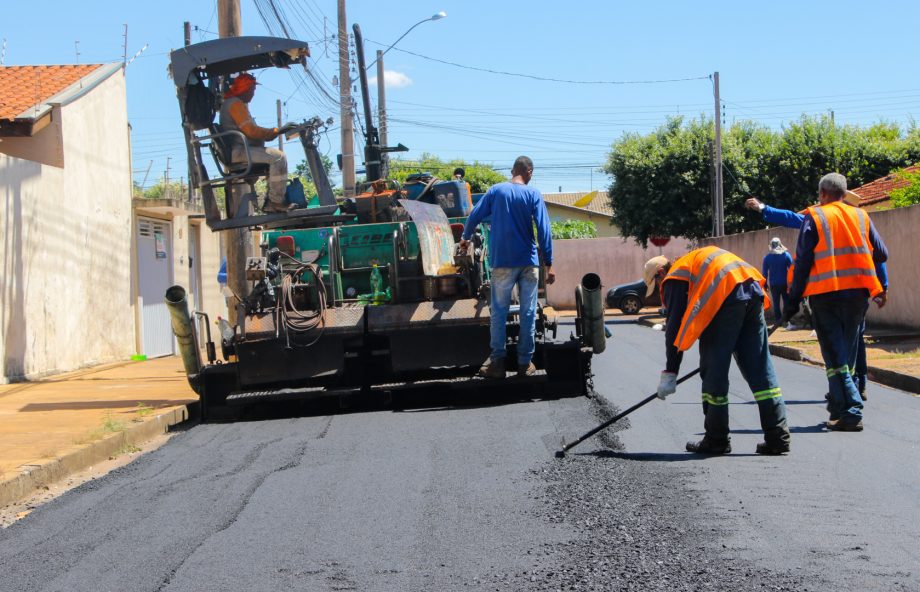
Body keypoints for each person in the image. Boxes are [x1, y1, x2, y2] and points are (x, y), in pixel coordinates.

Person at [745, 192, 888, 400]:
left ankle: (849, 393)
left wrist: (763, 208)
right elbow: (879, 256)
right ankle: (855, 387)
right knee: (854, 341)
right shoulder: (860, 221)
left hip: (831, 294)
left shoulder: (827, 220)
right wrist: (882, 287)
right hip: (857, 294)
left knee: (838, 347)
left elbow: (794, 223)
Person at [652, 247, 791, 455]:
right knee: (760, 368)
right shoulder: (694, 264)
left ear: (660, 273)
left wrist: (670, 372)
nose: (658, 288)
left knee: (714, 369)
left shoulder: (674, 277)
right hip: (752, 290)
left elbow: (674, 328)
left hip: (724, 295)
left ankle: (716, 439)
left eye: (655, 284)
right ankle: (777, 436)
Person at [783, 173, 888, 431]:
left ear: (822, 194)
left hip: (826, 295)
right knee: (845, 354)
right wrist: (879, 286)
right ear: (844, 193)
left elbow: (804, 260)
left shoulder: (815, 216)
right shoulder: (861, 216)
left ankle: (851, 409)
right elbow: (882, 253)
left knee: (835, 355)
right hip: (858, 296)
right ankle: (839, 406)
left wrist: (792, 300)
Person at [459, 156, 555, 378]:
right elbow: (543, 229)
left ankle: (497, 364)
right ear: (528, 171)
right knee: (528, 311)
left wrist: (465, 237)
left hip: (502, 262)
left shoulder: (496, 191)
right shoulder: (533, 194)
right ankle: (524, 364)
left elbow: (475, 215)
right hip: (528, 263)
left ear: (513, 170)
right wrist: (549, 263)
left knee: (499, 312)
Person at [219, 73, 291, 213]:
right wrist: (275, 131)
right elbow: (251, 131)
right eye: (252, 90)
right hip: (239, 152)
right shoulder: (235, 104)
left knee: (274, 157)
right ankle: (276, 202)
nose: (253, 94)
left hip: (241, 149)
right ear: (244, 89)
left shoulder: (235, 103)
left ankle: (272, 200)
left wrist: (274, 132)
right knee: (278, 157)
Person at [762, 237, 793, 325]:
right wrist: (791, 282)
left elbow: (764, 273)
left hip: (773, 284)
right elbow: (792, 269)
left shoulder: (767, 258)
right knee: (786, 301)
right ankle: (787, 320)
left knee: (776, 303)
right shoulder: (786, 255)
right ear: (780, 245)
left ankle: (778, 321)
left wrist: (765, 285)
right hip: (785, 283)